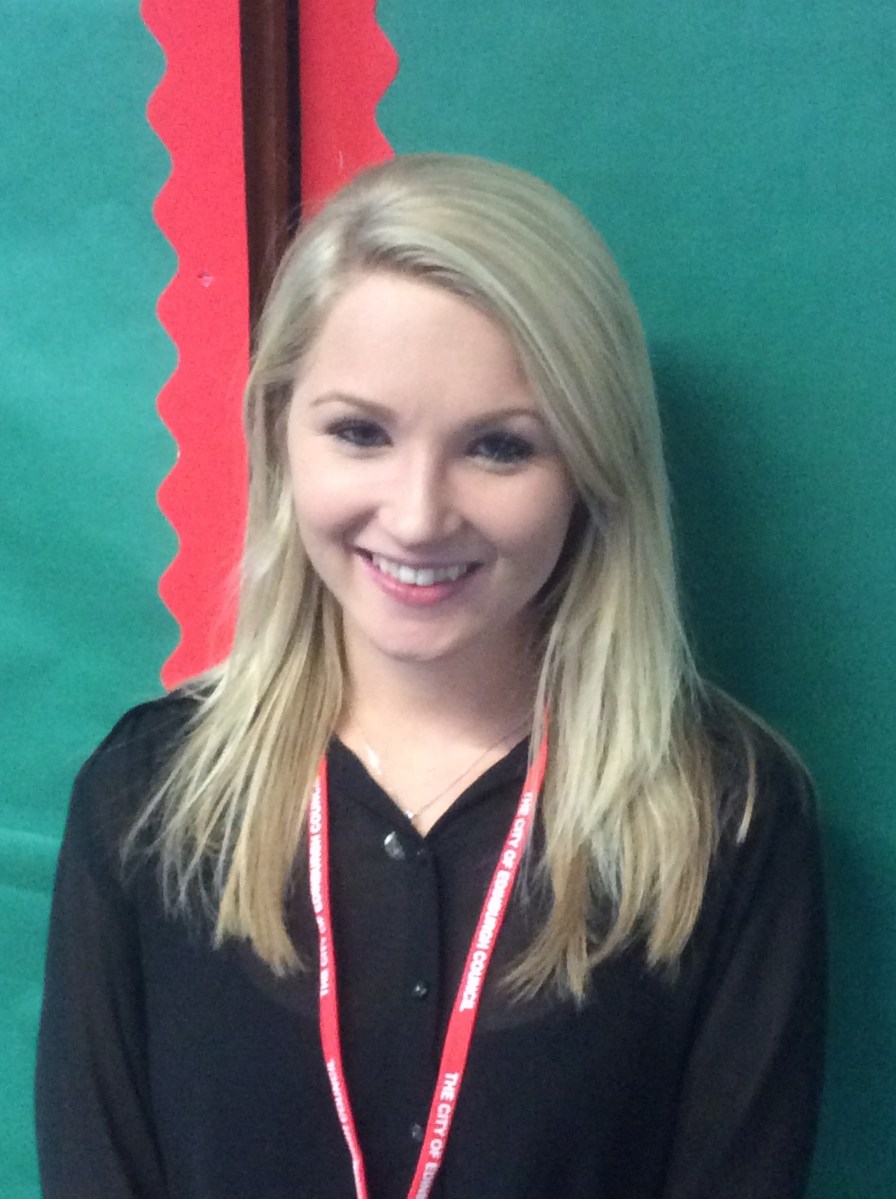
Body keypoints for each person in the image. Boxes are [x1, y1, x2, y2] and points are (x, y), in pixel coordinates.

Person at [35, 154, 826, 1199]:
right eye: (360, 432)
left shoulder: (724, 817)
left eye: (498, 447)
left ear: (592, 469)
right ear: (278, 434)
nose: (416, 516)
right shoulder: (146, 797)